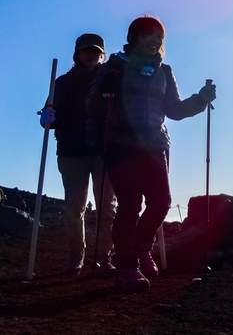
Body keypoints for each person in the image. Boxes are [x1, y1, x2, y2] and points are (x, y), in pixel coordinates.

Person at [87, 15, 216, 292]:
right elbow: (92, 105)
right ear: (133, 37)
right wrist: (104, 93)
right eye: (149, 34)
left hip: (155, 144)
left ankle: (140, 250)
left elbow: (175, 110)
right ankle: (126, 268)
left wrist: (201, 99)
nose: (156, 40)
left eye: (160, 36)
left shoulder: (164, 71)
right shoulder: (113, 67)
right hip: (120, 144)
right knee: (130, 205)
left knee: (161, 201)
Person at [40, 33, 118, 275]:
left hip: (105, 147)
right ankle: (76, 256)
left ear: (102, 53)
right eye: (86, 50)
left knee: (107, 207)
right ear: (77, 53)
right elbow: (50, 116)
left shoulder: (113, 79)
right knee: (75, 207)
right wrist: (47, 117)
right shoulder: (62, 82)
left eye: (95, 50)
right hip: (71, 148)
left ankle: (104, 256)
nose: (90, 54)